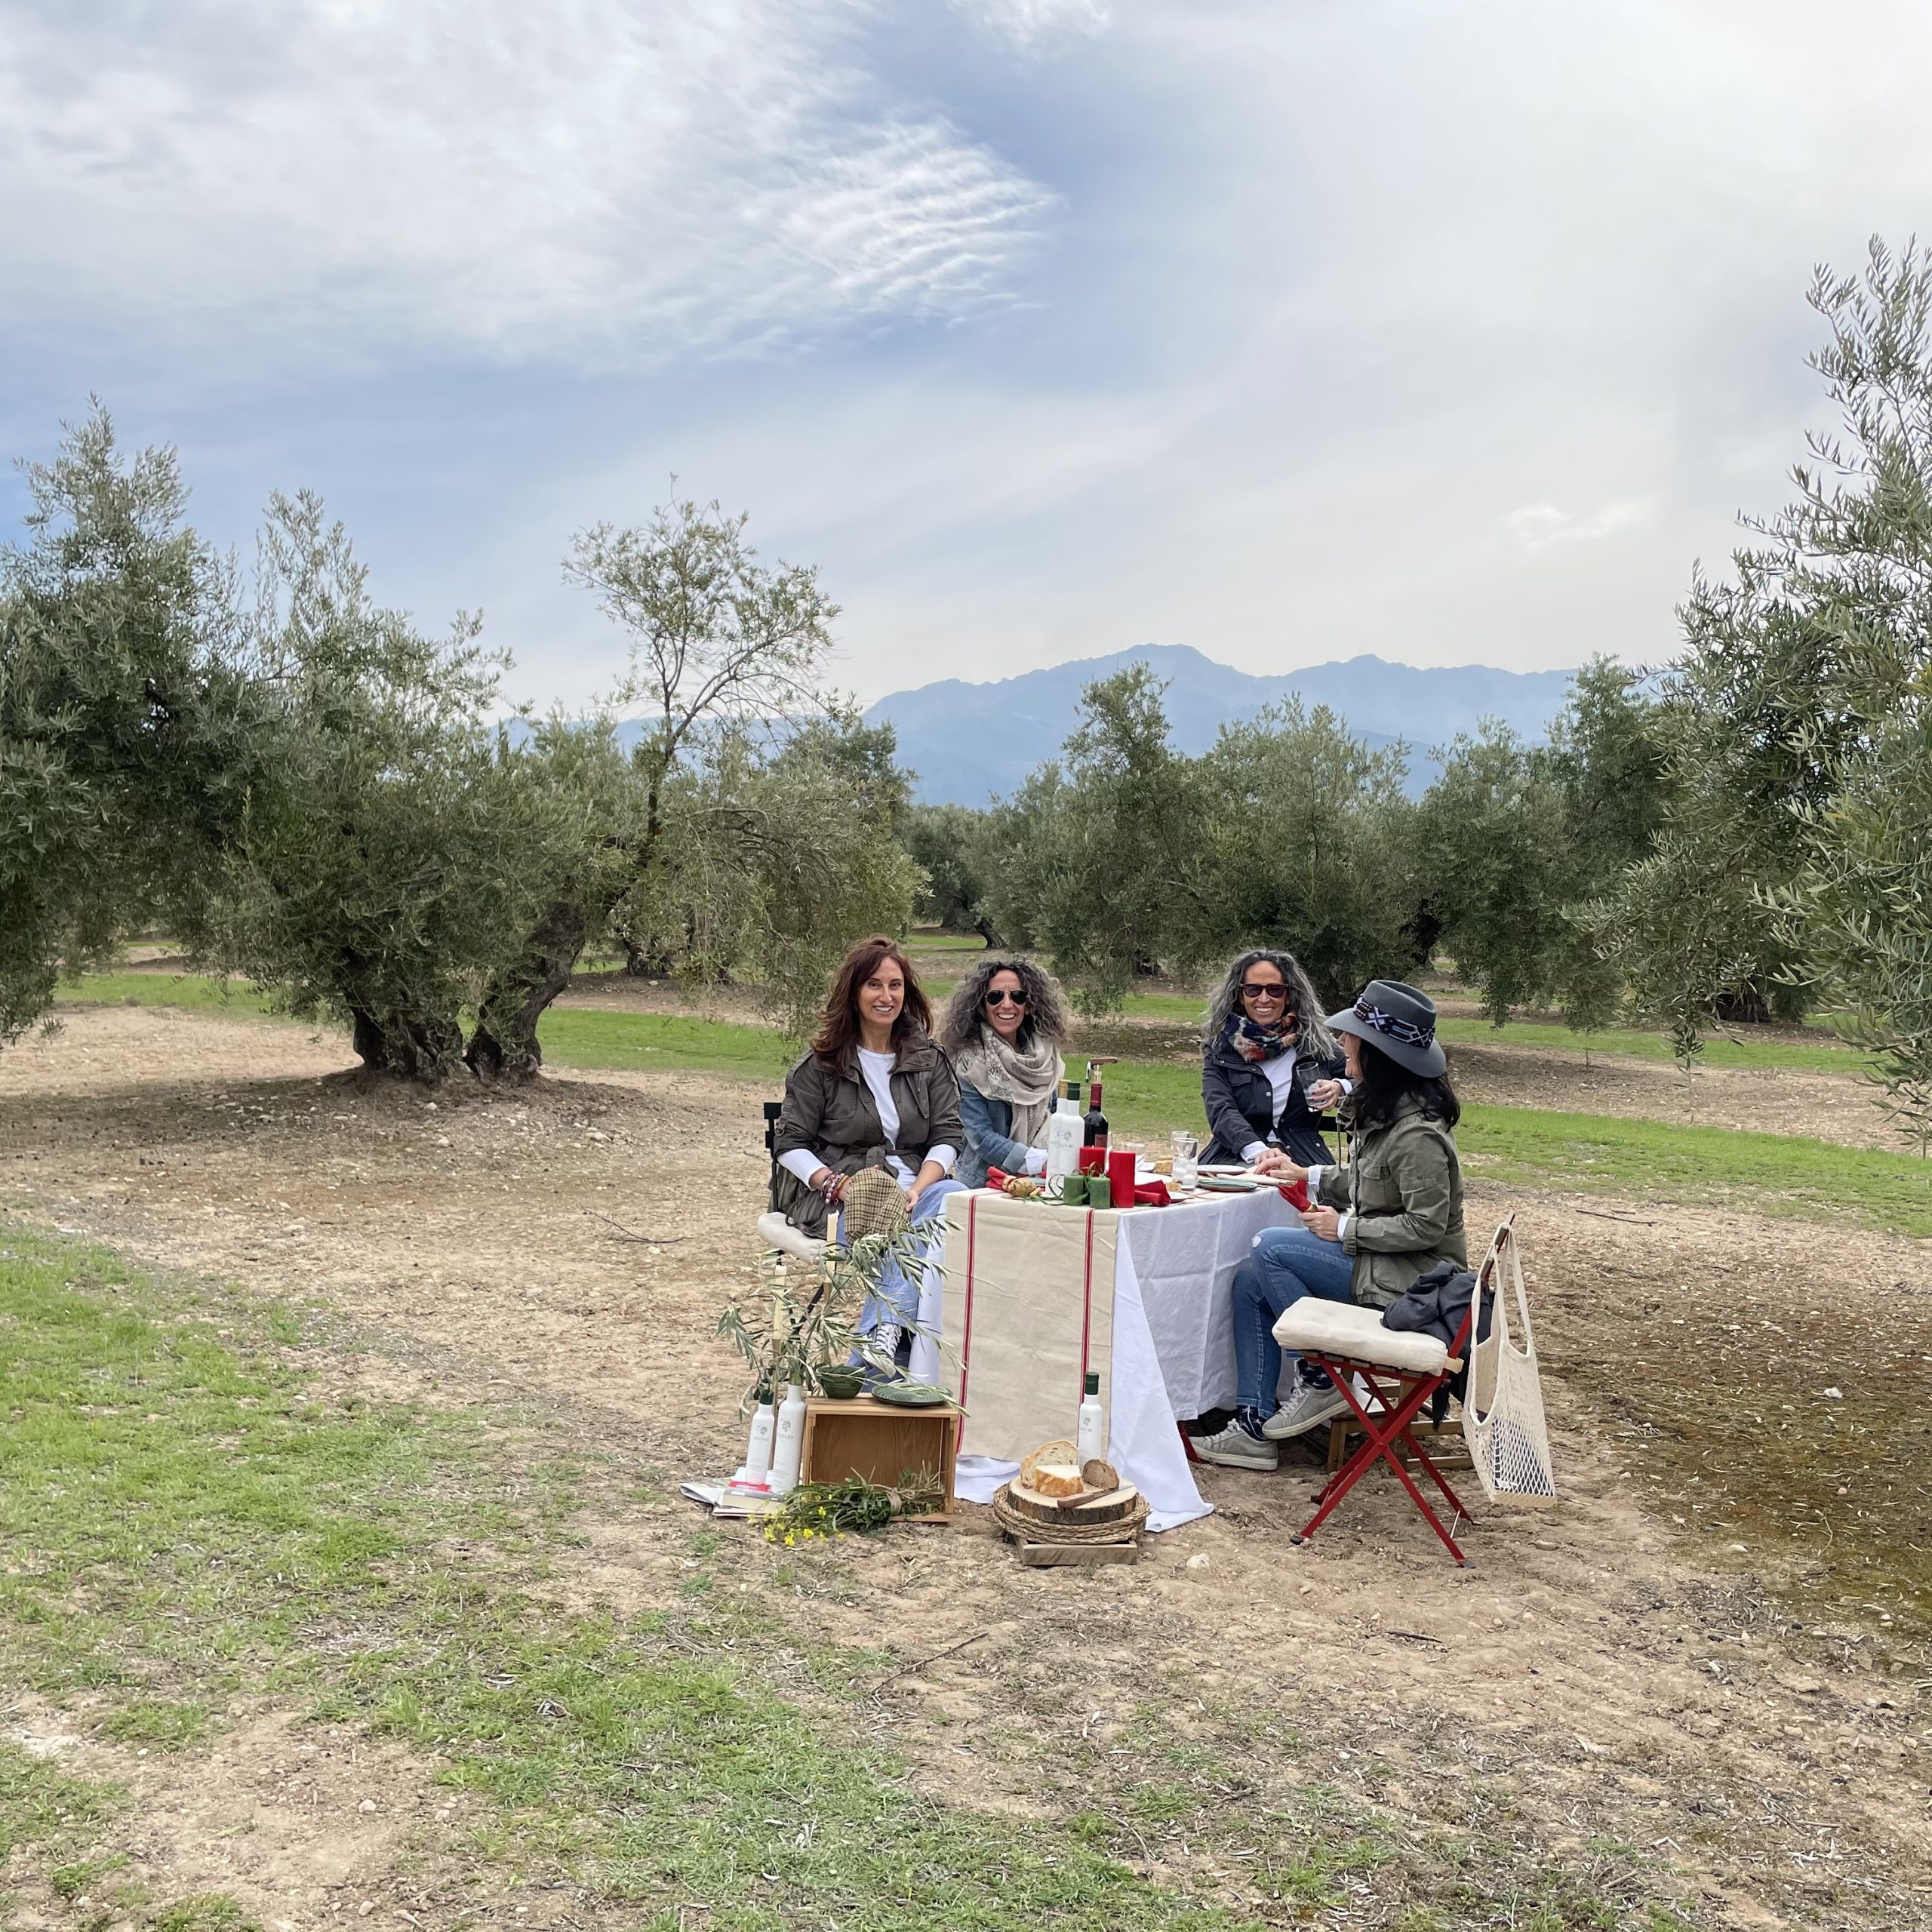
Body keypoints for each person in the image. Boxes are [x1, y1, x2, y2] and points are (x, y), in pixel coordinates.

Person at [1194, 979, 1466, 1471]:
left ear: (1379, 1054)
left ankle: (1321, 1375)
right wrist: (1305, 1174)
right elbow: (1369, 1182)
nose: (1341, 1043)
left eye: (1351, 1037)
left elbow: (1425, 1229)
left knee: (1270, 1246)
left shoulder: (1418, 1135)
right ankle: (1253, 1426)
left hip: (1416, 1285)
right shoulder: (1392, 1114)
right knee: (1249, 1281)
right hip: (1386, 1267)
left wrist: (1343, 1230)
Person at [774, 937, 967, 1372]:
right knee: (905, 1232)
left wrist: (918, 1188)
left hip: (916, 1192)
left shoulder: (929, 1059)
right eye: (874, 985)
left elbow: (948, 1135)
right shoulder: (821, 1064)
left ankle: (879, 1341)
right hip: (841, 1198)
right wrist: (837, 1185)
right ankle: (890, 1344)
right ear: (854, 992)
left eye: (895, 985)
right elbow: (789, 1144)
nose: (886, 996)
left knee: (954, 1199)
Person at [1200, 949, 1349, 1168]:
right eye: (1253, 989)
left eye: (1275, 990)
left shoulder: (1315, 1044)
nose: (1263, 999)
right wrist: (1257, 1150)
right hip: (1234, 1159)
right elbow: (1220, 1109)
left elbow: (1371, 1080)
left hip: (1304, 1160)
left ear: (1289, 995)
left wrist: (1341, 1087)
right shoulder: (1220, 1049)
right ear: (1240, 995)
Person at [938, 957, 1072, 1189]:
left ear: (1028, 1005)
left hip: (1042, 1182)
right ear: (982, 1006)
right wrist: (1038, 1161)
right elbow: (980, 1137)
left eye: (1017, 996)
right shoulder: (967, 1063)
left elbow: (1056, 1118)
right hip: (982, 1185)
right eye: (996, 996)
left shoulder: (1045, 1058)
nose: (1007, 1004)